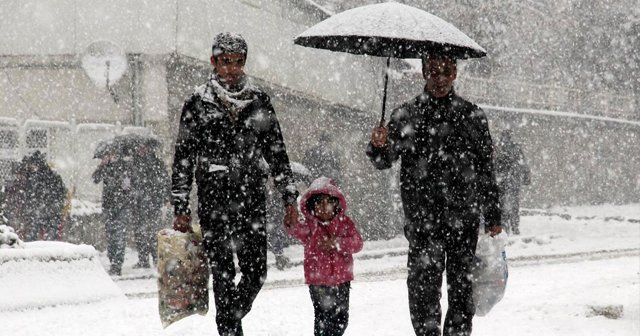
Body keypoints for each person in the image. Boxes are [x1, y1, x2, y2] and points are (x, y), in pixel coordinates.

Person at [171, 32, 300, 336]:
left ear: (244, 62)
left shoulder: (258, 100)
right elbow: (183, 156)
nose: (230, 69)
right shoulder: (197, 102)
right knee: (223, 274)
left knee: (257, 273)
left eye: (237, 62)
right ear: (213, 61)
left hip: (251, 197)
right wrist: (180, 205)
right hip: (213, 199)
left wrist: (289, 197)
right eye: (225, 62)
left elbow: (277, 151)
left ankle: (229, 321)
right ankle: (230, 331)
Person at [366, 54, 502, 336]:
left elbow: (486, 168)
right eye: (433, 71)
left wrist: (493, 215)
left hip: (464, 220)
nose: (439, 78)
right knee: (422, 292)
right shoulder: (406, 114)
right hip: (422, 221)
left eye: (446, 71)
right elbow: (383, 160)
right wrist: (378, 145)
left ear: (455, 74)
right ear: (424, 72)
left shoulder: (472, 116)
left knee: (462, 294)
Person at [286, 177, 363, 336]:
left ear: (335, 203)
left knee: (342, 318)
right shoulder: (310, 226)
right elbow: (297, 230)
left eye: (327, 202)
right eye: (318, 203)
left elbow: (357, 243)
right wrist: (291, 223)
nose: (323, 207)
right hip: (318, 281)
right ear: (312, 206)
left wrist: (337, 243)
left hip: (342, 279)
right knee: (324, 319)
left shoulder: (345, 223)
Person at [93, 148, 136, 276]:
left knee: (120, 235)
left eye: (114, 153)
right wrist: (102, 165)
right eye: (110, 154)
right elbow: (95, 179)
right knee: (110, 235)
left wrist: (122, 182)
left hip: (122, 205)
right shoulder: (105, 167)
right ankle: (113, 260)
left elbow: (130, 184)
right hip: (108, 205)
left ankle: (117, 264)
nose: (112, 156)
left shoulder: (126, 166)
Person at [132, 141, 170, 268]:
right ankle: (144, 258)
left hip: (153, 202)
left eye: (143, 147)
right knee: (141, 232)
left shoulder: (155, 163)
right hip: (140, 203)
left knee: (153, 231)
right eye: (139, 148)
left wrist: (164, 197)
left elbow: (164, 181)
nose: (141, 150)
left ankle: (154, 257)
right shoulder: (135, 163)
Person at [15, 151, 67, 241]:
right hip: (47, 211)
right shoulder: (49, 176)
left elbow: (32, 195)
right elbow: (62, 193)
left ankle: (36, 252)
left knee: (35, 236)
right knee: (49, 236)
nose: (30, 167)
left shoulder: (37, 177)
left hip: (43, 211)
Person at [494, 130, 530, 235]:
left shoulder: (499, 148)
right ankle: (514, 226)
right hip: (513, 180)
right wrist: (525, 176)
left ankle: (506, 225)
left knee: (502, 203)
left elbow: (496, 164)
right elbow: (522, 162)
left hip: (503, 180)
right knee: (514, 203)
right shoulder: (515, 147)